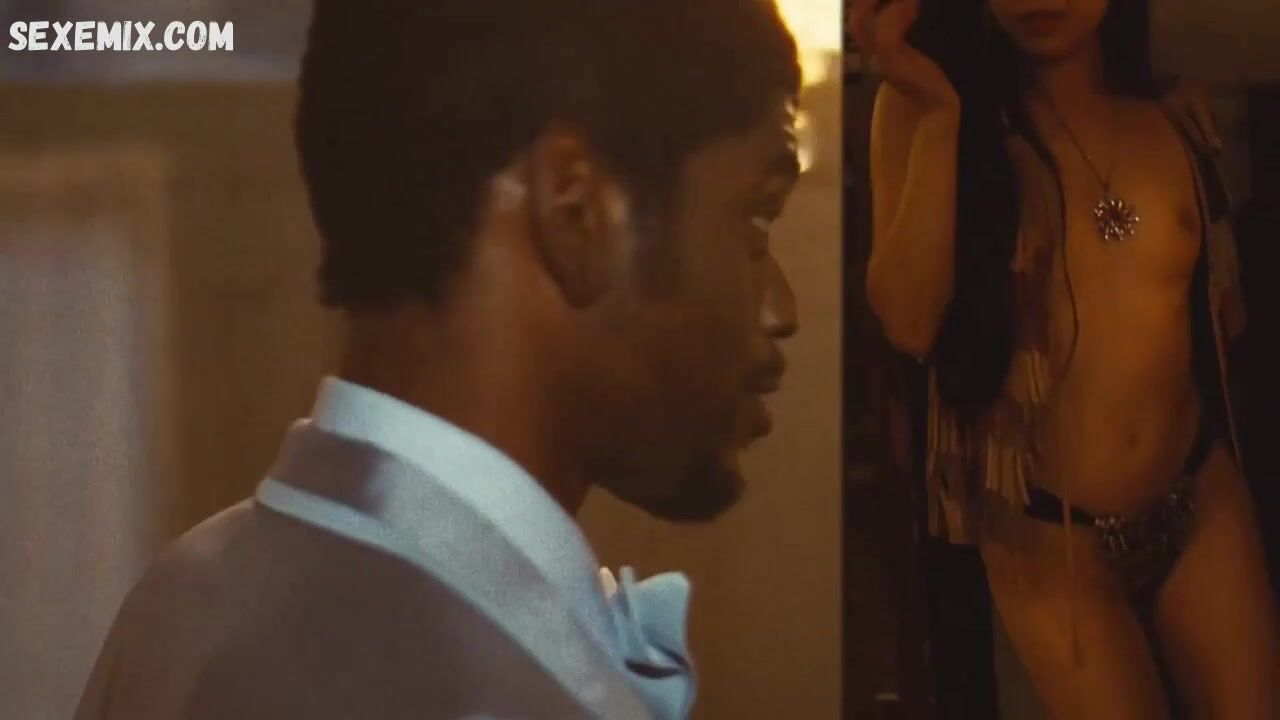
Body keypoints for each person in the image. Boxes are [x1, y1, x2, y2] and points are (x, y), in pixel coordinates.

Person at [74, 2, 802, 718]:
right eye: (755, 218)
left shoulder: (179, 603)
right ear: (576, 212)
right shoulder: (490, 695)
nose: (780, 307)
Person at [853, 0, 1279, 716]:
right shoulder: (927, 104)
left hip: (1197, 502)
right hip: (1052, 544)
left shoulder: (1166, 110)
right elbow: (909, 323)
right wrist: (938, 118)